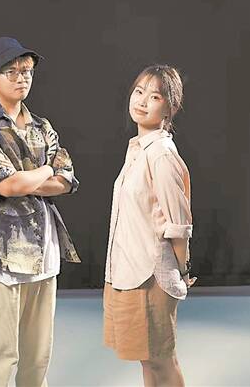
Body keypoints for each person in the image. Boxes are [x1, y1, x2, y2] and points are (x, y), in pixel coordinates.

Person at [0, 36, 80, 387]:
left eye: (27, 70)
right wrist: (46, 170)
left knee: (37, 358)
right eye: (11, 71)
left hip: (43, 256)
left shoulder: (43, 127)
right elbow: (8, 186)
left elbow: (68, 180)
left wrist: (31, 178)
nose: (21, 77)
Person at [103, 65, 196, 387]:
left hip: (150, 274)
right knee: (147, 358)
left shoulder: (160, 155)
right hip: (129, 271)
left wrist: (182, 271)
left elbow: (179, 224)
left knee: (161, 359)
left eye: (155, 96)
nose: (142, 101)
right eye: (139, 91)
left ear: (170, 108)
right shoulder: (138, 149)